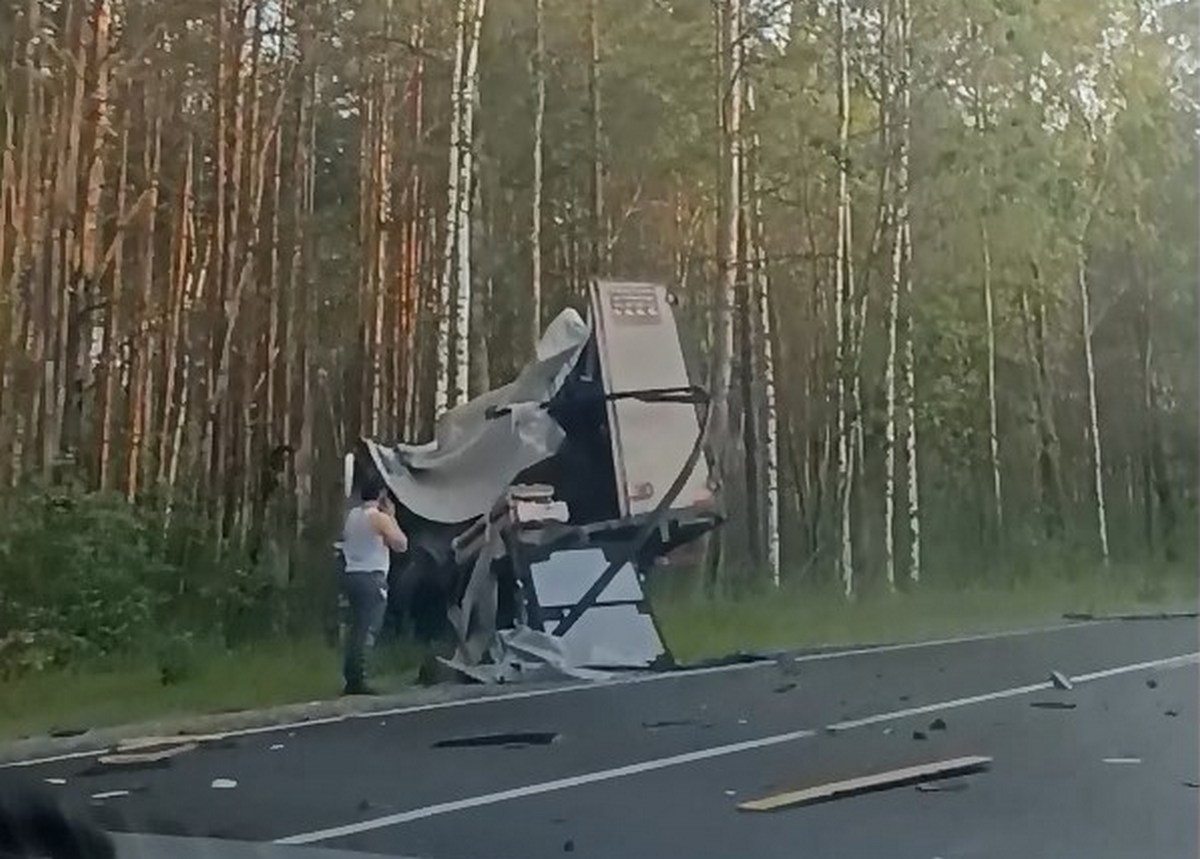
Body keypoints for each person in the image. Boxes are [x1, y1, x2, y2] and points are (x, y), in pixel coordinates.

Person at [340, 475, 408, 695]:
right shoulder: (379, 518)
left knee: (356, 629)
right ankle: (360, 678)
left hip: (351, 574)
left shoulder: (352, 515)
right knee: (369, 628)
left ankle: (351, 676)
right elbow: (401, 544)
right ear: (381, 495)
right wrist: (392, 517)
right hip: (372, 577)